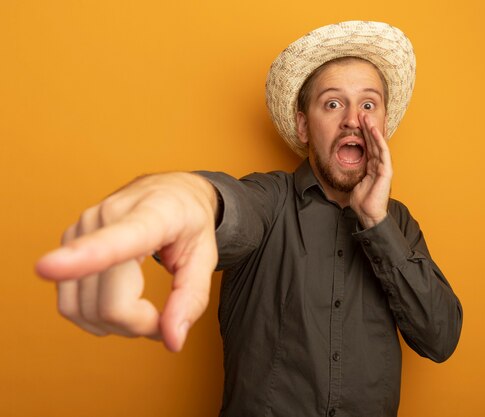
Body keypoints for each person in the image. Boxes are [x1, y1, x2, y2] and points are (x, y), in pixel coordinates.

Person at [37, 21, 462, 417]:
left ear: (383, 124)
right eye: (332, 103)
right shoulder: (270, 199)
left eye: (369, 104)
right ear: (302, 125)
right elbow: (230, 207)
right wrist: (189, 198)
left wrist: (376, 223)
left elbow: (440, 339)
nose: (353, 118)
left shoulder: (400, 224)